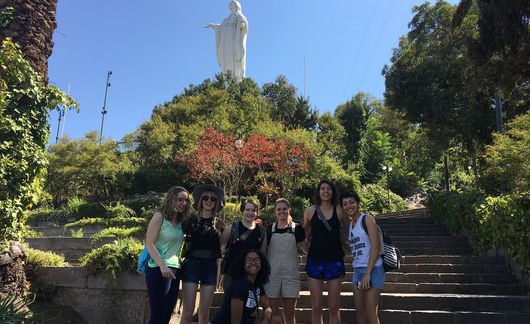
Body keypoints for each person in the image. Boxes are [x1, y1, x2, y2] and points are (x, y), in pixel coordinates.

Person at [302, 180, 348, 324]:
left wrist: (345, 244)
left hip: (334, 260)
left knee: (334, 306)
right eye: (323, 189)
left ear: (333, 191)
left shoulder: (340, 210)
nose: (326, 191)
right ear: (318, 191)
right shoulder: (310, 211)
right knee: (316, 305)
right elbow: (302, 236)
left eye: (329, 189)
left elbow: (348, 232)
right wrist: (308, 251)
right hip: (315, 261)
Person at [180, 184, 226, 324]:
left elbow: (224, 247)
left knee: (204, 313)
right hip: (191, 265)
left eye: (213, 198)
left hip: (211, 267)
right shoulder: (189, 221)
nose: (209, 200)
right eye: (205, 197)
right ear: (200, 200)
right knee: (188, 313)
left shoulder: (219, 224)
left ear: (216, 202)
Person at [145, 186, 190, 324]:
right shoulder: (159, 216)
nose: (184, 203)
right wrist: (163, 266)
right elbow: (149, 243)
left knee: (167, 313)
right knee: (157, 314)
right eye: (180, 200)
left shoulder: (180, 221)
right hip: (158, 269)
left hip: (175, 269)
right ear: (171, 199)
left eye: (186, 201)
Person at [341, 191, 384, 324]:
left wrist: (367, 274)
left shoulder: (367, 219)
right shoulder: (350, 225)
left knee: (371, 312)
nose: (349, 206)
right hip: (358, 270)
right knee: (360, 312)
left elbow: (375, 247)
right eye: (345, 204)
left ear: (358, 203)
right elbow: (356, 249)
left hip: (373, 269)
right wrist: (342, 242)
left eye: (352, 202)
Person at [264, 198, 305, 324]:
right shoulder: (270, 229)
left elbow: (306, 248)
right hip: (272, 275)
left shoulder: (296, 229)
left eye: (284, 209)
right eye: (279, 209)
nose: (282, 211)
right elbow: (263, 251)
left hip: (291, 275)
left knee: (290, 311)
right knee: (273, 312)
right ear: (275, 211)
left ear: (289, 210)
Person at [212, 249, 280, 324]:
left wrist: (266, 319)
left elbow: (267, 308)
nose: (253, 262)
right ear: (243, 264)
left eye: (256, 260)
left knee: (276, 320)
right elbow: (235, 321)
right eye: (249, 260)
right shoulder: (238, 285)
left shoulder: (257, 285)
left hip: (244, 320)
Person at [220, 198, 267, 292]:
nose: (250, 213)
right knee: (230, 304)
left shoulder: (262, 232)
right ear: (242, 211)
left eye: (253, 210)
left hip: (252, 275)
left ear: (257, 212)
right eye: (247, 209)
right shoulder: (233, 228)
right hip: (232, 274)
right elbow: (220, 245)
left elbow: (263, 255)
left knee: (249, 305)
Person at [205, 0, 248, 81]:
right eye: (230, 6)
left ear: (237, 6)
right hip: (225, 43)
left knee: (235, 59)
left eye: (233, 5)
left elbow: (244, 23)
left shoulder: (240, 16)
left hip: (234, 42)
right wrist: (213, 26)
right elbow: (220, 28)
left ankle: (237, 78)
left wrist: (242, 25)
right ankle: (228, 79)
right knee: (226, 60)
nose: (231, 7)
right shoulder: (226, 19)